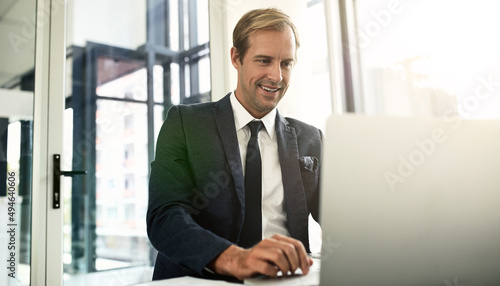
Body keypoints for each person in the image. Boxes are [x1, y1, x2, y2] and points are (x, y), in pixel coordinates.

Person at [147, 8, 322, 281]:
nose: (276, 76)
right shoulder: (185, 123)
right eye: (264, 60)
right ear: (236, 58)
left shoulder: (311, 138)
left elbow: (341, 220)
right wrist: (235, 258)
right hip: (203, 276)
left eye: (286, 63)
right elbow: (165, 217)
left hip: (285, 278)